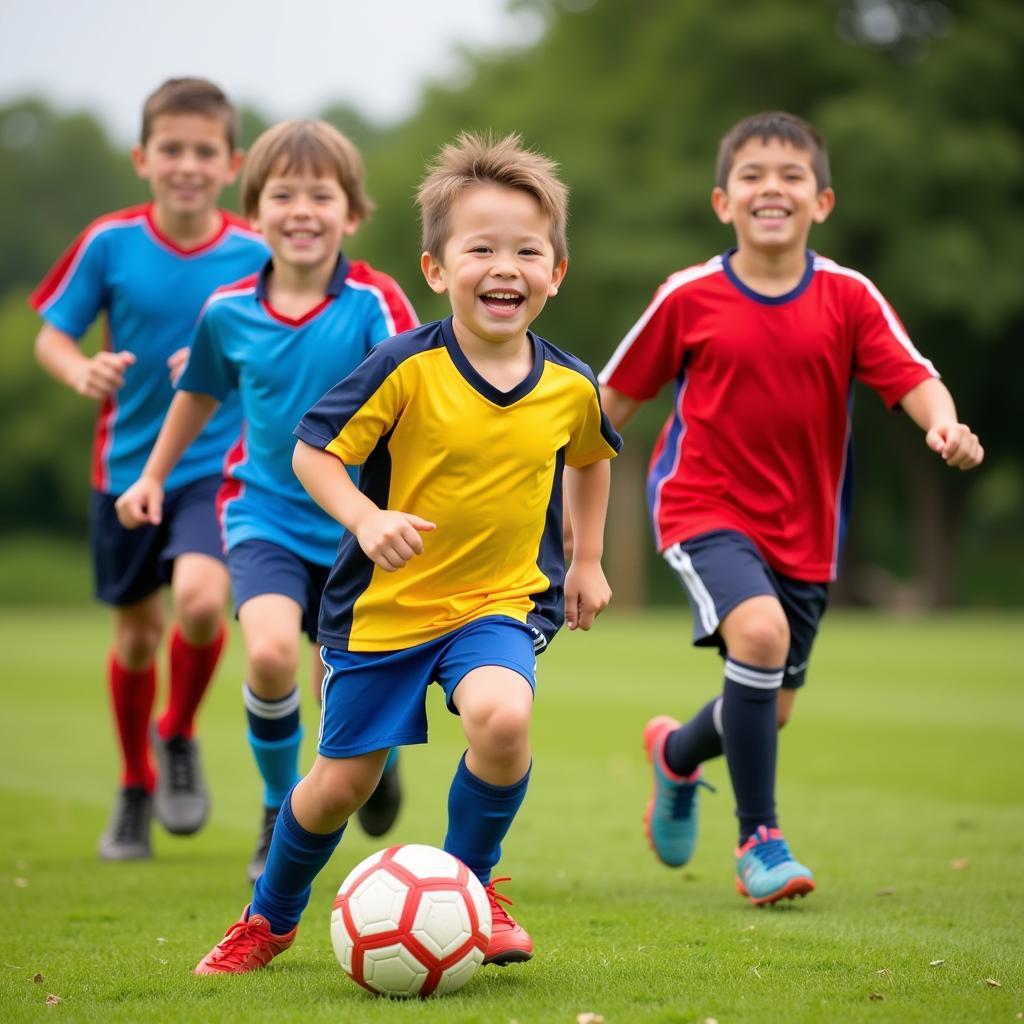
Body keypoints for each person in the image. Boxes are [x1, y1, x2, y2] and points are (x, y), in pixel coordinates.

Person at [192, 131, 622, 975]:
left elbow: (592, 459)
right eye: (481, 248)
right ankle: (269, 918)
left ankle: (472, 887)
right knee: (338, 789)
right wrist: (364, 519)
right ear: (436, 269)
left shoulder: (571, 386)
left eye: (528, 250)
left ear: (556, 271)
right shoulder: (404, 368)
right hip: (384, 611)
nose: (506, 267)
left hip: (497, 602)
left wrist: (592, 558)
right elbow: (314, 452)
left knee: (503, 718)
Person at [598, 111, 984, 906]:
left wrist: (941, 423)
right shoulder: (689, 296)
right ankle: (760, 839)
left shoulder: (848, 296)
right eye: (752, 175)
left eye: (791, 175)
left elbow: (912, 377)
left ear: (823, 202)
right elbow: (611, 399)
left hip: (807, 529)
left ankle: (674, 754)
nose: (771, 187)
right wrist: (537, 467)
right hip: (700, 502)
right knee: (762, 636)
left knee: (767, 709)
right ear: (722, 201)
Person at [115, 119, 417, 883]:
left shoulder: (375, 304)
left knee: (340, 684)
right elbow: (196, 395)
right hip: (263, 517)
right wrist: (151, 476)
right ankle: (280, 811)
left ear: (351, 214)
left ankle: (367, 767)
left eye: (322, 195)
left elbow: (426, 393)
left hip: (359, 525)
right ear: (255, 213)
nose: (303, 210)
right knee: (276, 654)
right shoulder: (227, 311)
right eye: (284, 195)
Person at [30, 78, 270, 861]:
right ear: (144, 158)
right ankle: (134, 786)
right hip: (127, 471)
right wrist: (80, 372)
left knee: (203, 601)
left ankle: (178, 734)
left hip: (216, 465)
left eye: (205, 151)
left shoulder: (256, 254)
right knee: (137, 635)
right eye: (172, 149)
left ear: (231, 163)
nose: (188, 164)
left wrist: (224, 365)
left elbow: (281, 343)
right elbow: (53, 336)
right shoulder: (110, 243)